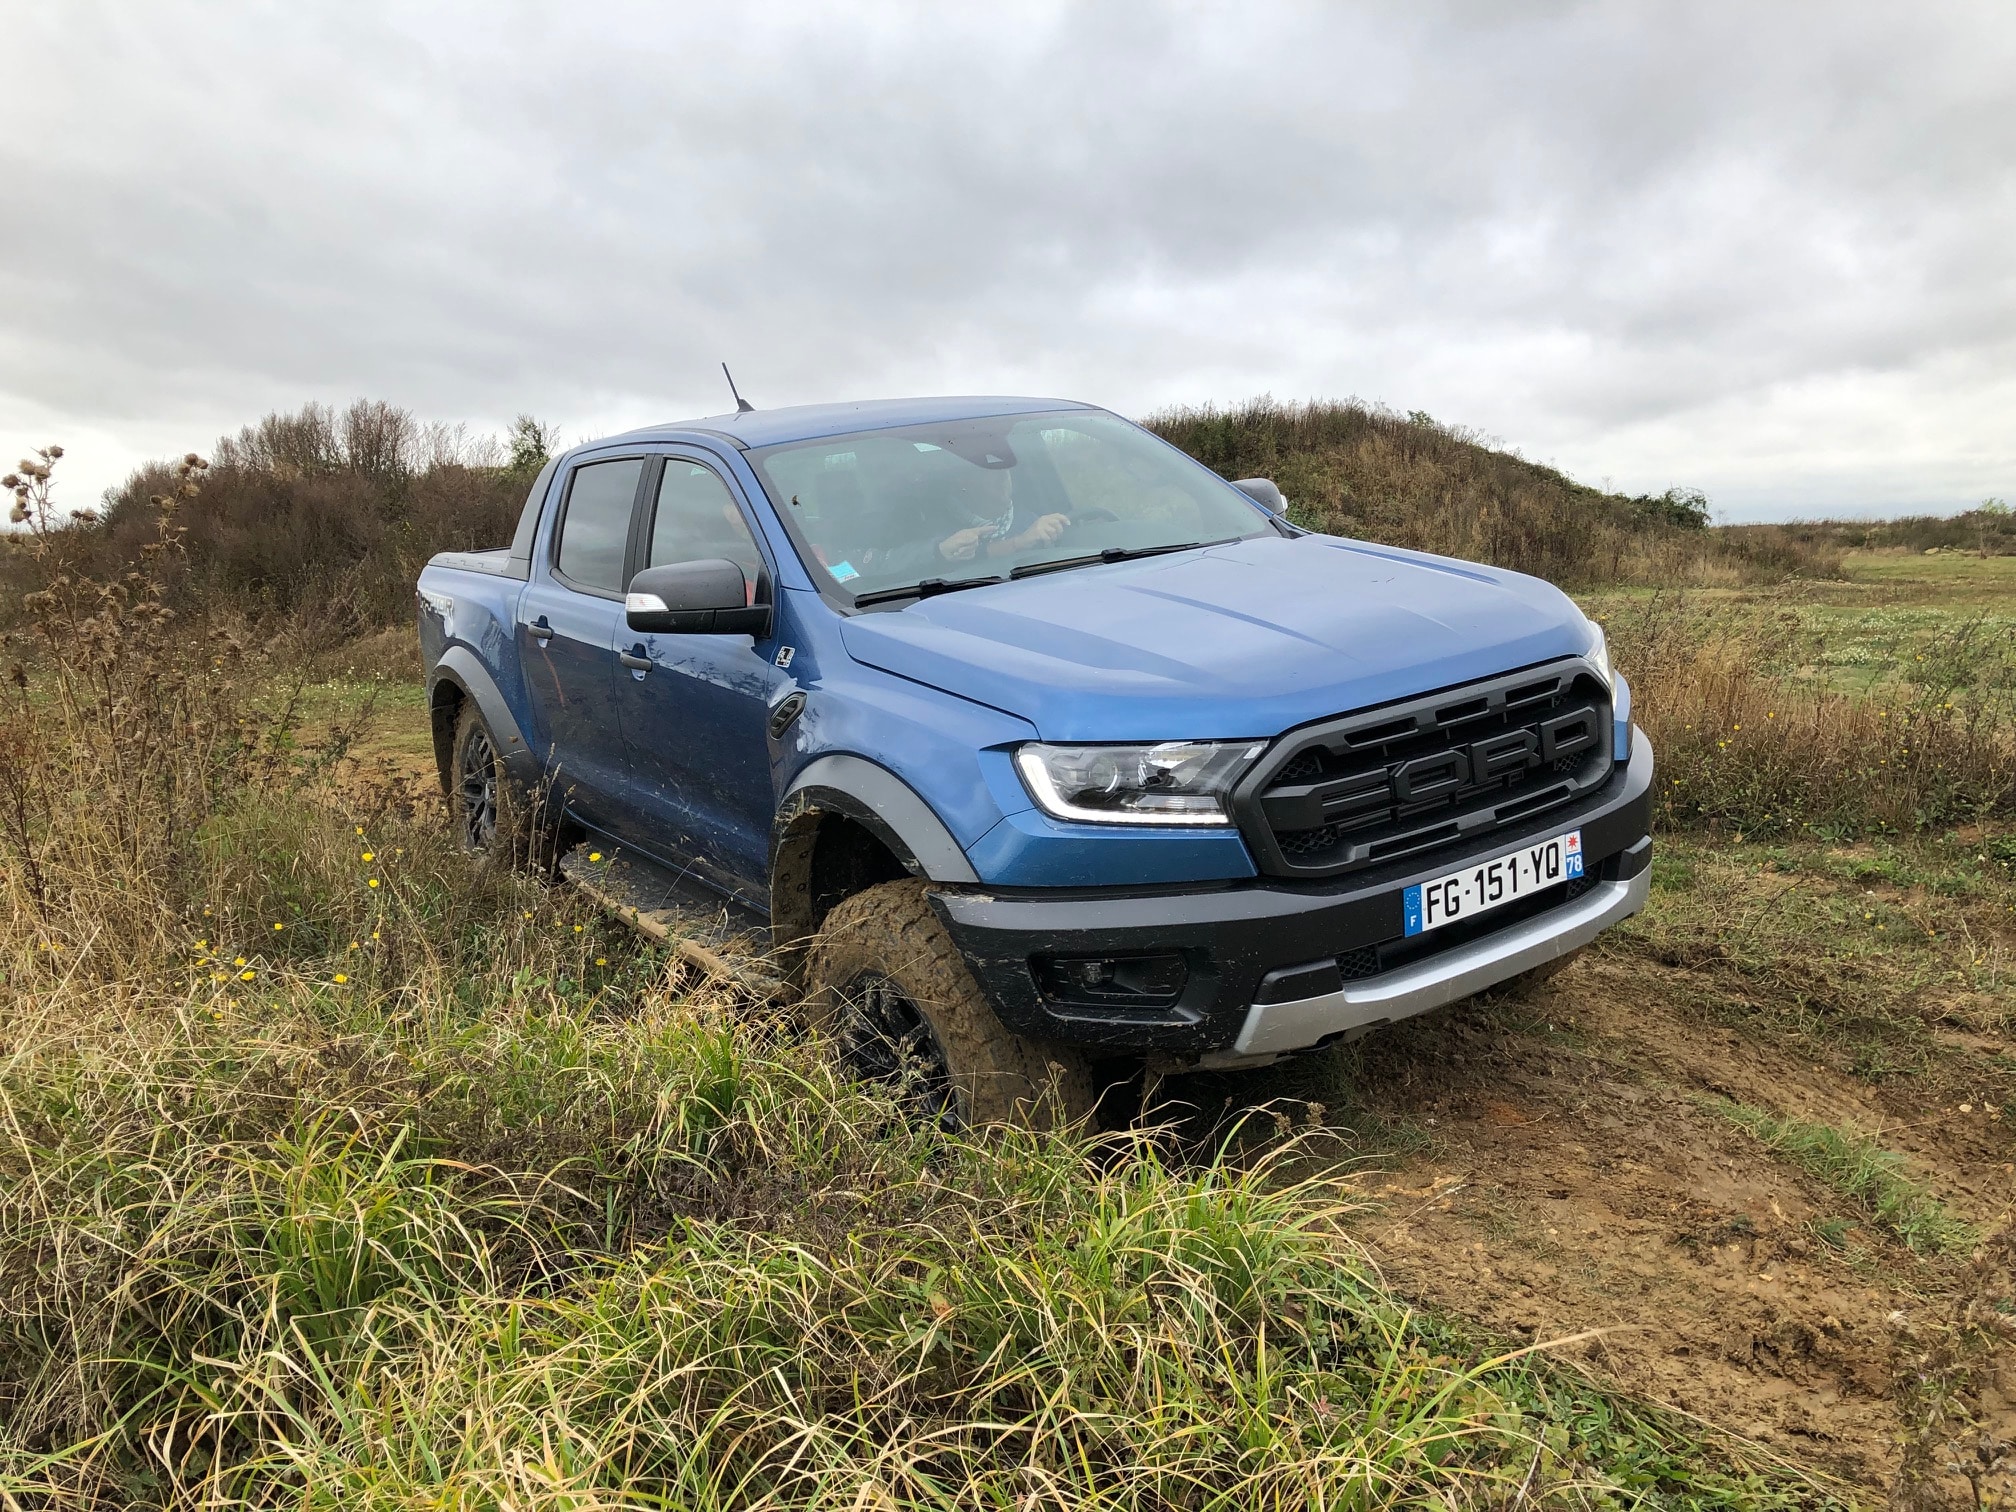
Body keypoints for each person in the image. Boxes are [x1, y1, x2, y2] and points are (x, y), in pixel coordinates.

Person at [930, 462, 1069, 565]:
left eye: (1005, 466)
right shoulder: (939, 533)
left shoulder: (1034, 525)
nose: (1003, 474)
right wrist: (940, 552)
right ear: (964, 481)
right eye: (990, 469)